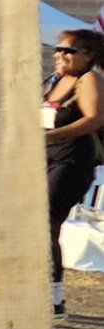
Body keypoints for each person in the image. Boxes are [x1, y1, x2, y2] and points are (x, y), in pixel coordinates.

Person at [46, 29, 104, 310]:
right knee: (37, 225)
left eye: (68, 50)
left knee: (46, 223)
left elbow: (93, 119)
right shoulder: (55, 80)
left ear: (89, 55)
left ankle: (53, 298)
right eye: (58, 49)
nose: (60, 54)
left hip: (72, 162)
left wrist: (49, 136)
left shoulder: (89, 79)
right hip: (44, 159)